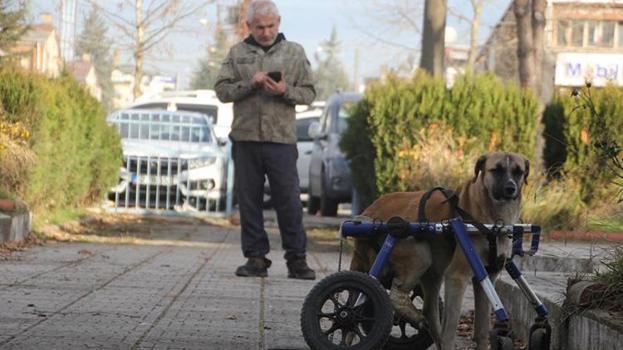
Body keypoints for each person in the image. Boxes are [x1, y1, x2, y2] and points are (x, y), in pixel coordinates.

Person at [214, 0, 316, 280]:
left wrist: (285, 90)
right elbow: (221, 91)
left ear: (279, 22)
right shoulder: (237, 53)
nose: (266, 32)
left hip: (281, 140)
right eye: (260, 27)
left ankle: (297, 260)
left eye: (271, 26)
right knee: (249, 201)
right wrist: (250, 83)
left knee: (289, 202)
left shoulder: (295, 53)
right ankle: (256, 258)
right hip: (245, 139)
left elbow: (309, 93)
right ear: (249, 26)